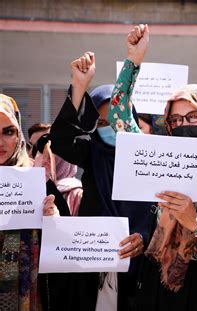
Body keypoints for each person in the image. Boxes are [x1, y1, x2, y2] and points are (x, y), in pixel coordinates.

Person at [107, 24, 197, 311]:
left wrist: (195, 223)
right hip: (154, 284)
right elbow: (118, 112)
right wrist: (134, 60)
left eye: (194, 116)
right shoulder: (162, 159)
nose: (184, 125)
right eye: (176, 120)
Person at [49, 53, 152, 311]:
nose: (111, 129)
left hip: (137, 270)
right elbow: (60, 141)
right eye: (103, 123)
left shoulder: (149, 157)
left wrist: (145, 238)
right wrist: (79, 86)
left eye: (117, 122)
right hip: (91, 265)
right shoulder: (92, 153)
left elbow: (158, 209)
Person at [0, 94, 59, 311]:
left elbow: (60, 247)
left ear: (18, 133)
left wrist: (52, 220)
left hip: (27, 293)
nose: (1, 142)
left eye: (8, 132)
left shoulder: (37, 175)